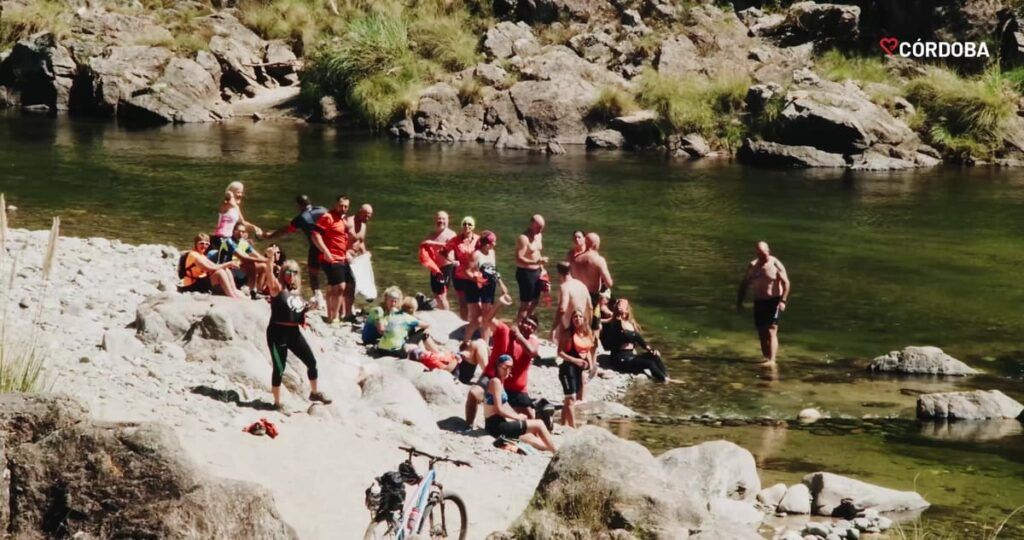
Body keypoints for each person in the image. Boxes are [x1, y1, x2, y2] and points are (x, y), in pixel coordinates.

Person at [264, 257, 332, 411]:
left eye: (295, 272)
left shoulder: (296, 291)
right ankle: (277, 403)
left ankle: (314, 393)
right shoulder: (277, 288)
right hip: (277, 333)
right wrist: (269, 259)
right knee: (279, 368)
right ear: (282, 273)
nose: (292, 275)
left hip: (294, 333)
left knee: (312, 362)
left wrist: (310, 307)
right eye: (288, 272)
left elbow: (295, 310)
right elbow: (269, 274)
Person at [464, 317, 540, 426]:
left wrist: (519, 336)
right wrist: (500, 304)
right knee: (474, 394)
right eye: (527, 323)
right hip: (498, 379)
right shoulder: (506, 332)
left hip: (517, 388)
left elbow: (532, 352)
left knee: (530, 418)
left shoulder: (532, 341)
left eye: (533, 326)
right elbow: (488, 319)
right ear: (520, 322)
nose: (529, 327)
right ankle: (468, 425)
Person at [262, 195, 328, 307]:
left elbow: (286, 230)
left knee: (313, 273)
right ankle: (335, 299)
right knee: (331, 272)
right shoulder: (323, 209)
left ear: (299, 205)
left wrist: (270, 236)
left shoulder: (302, 218)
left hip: (316, 247)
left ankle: (319, 297)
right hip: (331, 246)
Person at [483, 354, 557, 453]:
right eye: (505, 367)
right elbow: (498, 409)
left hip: (497, 423)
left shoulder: (501, 381)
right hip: (496, 425)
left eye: (510, 368)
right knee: (539, 424)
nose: (507, 371)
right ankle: (556, 453)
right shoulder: (495, 381)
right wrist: (517, 417)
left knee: (531, 437)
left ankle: (550, 449)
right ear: (498, 366)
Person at [736, 241, 791, 366]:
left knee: (772, 330)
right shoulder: (753, 266)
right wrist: (739, 301)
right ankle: (766, 358)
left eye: (765, 254)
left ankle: (772, 360)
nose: (763, 257)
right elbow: (744, 284)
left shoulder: (776, 264)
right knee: (762, 332)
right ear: (757, 254)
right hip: (760, 301)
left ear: (769, 251)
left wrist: (783, 300)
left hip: (774, 300)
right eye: (760, 254)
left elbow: (786, 283)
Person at [601, 299, 669, 382]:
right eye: (619, 305)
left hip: (631, 355)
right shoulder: (615, 323)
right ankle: (664, 380)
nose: (620, 307)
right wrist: (618, 316)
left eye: (623, 305)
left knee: (654, 356)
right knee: (649, 364)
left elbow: (640, 340)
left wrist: (651, 350)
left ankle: (666, 376)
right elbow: (620, 332)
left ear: (627, 309)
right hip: (620, 359)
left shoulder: (631, 323)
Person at [463, 230, 512, 345]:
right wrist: (477, 279)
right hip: (474, 286)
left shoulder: (492, 253)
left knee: (487, 316)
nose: (495, 244)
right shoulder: (476, 255)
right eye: (493, 242)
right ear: (486, 244)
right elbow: (467, 272)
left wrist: (501, 284)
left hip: (489, 286)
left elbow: (493, 270)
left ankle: (484, 343)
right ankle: (465, 341)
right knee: (477, 318)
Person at [310, 195, 352, 326]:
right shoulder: (328, 217)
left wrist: (349, 252)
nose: (343, 208)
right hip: (331, 257)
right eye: (341, 205)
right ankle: (335, 318)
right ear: (336, 204)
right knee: (340, 286)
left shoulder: (343, 219)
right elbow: (315, 235)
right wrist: (326, 252)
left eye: (346, 206)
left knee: (333, 286)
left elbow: (343, 238)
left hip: (342, 257)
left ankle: (330, 315)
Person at [569, 232, 613, 333]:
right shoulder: (598, 260)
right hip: (592, 297)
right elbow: (609, 283)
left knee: (578, 323)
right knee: (594, 327)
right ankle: (592, 347)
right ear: (596, 244)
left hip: (577, 295)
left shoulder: (576, 259)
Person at [558, 310, 594, 429]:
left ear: (584, 319)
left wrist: (591, 365)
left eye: (580, 316)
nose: (577, 318)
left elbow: (587, 350)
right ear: (572, 320)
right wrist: (575, 361)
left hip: (579, 371)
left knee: (570, 399)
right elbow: (560, 353)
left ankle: (563, 425)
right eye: (575, 317)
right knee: (571, 398)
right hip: (567, 369)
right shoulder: (567, 334)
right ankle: (573, 429)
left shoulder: (586, 334)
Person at [178, 233, 243, 298]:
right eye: (201, 243)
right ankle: (232, 295)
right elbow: (209, 268)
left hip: (199, 282)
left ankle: (234, 290)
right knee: (220, 272)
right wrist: (228, 264)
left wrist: (228, 265)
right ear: (196, 243)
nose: (204, 246)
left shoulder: (201, 255)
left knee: (226, 269)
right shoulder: (194, 255)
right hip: (191, 287)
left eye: (207, 244)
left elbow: (214, 265)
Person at [375, 295, 441, 357]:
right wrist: (415, 316)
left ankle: (424, 351)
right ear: (413, 310)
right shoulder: (409, 318)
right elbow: (427, 325)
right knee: (423, 332)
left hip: (381, 349)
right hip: (396, 351)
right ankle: (437, 353)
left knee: (413, 332)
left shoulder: (394, 314)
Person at [219, 222, 273, 295]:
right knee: (251, 263)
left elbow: (257, 255)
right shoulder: (228, 241)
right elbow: (243, 257)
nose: (241, 233)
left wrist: (270, 261)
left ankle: (257, 291)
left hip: (237, 267)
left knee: (263, 266)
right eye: (239, 231)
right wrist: (266, 260)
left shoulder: (243, 242)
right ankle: (251, 289)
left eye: (243, 231)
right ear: (233, 231)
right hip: (226, 269)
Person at [514, 214, 549, 323]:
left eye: (542, 227)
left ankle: (526, 323)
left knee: (535, 301)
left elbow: (538, 253)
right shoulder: (524, 238)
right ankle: (518, 326)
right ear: (531, 224)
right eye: (538, 227)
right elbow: (519, 258)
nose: (540, 230)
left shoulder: (539, 235)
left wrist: (542, 269)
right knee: (526, 303)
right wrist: (535, 262)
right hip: (525, 273)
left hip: (537, 271)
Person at [444, 216, 479, 322]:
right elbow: (443, 251)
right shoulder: (456, 240)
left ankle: (475, 324)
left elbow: (486, 251)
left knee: (476, 302)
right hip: (459, 275)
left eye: (469, 224)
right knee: (463, 303)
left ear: (473, 227)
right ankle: (464, 324)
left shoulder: (478, 240)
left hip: (474, 275)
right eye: (464, 224)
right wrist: (452, 261)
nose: (466, 226)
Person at [420, 211, 457, 311]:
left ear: (448, 221)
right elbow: (425, 248)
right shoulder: (431, 234)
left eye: (443, 219)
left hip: (446, 267)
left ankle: (448, 317)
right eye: (439, 218)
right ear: (435, 220)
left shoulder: (451, 234)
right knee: (436, 294)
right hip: (434, 268)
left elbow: (452, 246)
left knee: (442, 295)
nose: (441, 221)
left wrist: (433, 243)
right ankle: (440, 314)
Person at [212, 181, 260, 253]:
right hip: (220, 237)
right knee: (239, 255)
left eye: (241, 192)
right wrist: (230, 195)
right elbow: (232, 203)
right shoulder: (225, 205)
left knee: (247, 246)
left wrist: (255, 227)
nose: (240, 195)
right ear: (231, 193)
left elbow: (243, 222)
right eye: (238, 192)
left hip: (229, 238)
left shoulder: (236, 207)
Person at [344, 203, 375, 317]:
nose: (367, 218)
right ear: (359, 211)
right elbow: (340, 240)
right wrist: (345, 253)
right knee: (348, 285)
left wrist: (365, 253)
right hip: (346, 257)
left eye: (369, 216)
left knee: (354, 285)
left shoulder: (364, 225)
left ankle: (348, 310)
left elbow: (361, 242)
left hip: (357, 259)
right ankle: (346, 312)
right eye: (365, 215)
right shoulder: (348, 222)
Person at [552, 261, 592, 348]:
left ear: (559, 273)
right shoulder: (581, 285)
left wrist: (554, 327)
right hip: (582, 323)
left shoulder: (564, 287)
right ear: (570, 271)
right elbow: (590, 307)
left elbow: (562, 309)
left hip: (570, 327)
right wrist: (588, 325)